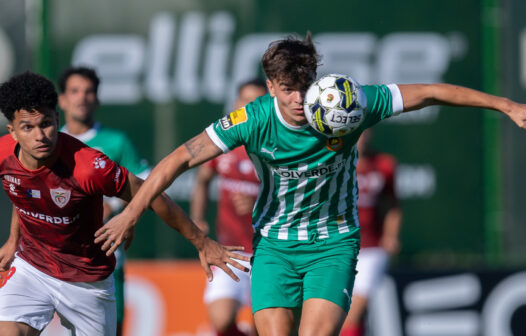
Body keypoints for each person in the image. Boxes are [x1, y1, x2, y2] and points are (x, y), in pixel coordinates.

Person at [98, 33, 526, 336]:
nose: (299, 99)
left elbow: (429, 92)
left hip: (333, 243)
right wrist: (132, 213)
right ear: (270, 87)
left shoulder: (348, 103)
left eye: (304, 87)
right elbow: (181, 158)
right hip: (273, 247)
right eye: (287, 89)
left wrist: (505, 104)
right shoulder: (254, 119)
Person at [0, 72, 249, 336]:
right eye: (28, 127)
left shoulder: (87, 166)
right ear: (12, 132)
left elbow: (152, 196)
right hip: (33, 270)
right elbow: (26, 193)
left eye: (46, 124)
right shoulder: (4, 155)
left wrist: (201, 241)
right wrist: (12, 240)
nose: (40, 135)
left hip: (87, 281)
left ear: (57, 119)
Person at [57, 66, 150, 335]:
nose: (81, 98)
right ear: (62, 99)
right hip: (53, 256)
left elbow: (146, 184)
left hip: (103, 251)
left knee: (111, 328)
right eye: (74, 91)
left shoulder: (116, 141)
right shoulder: (50, 143)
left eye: (88, 92)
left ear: (96, 99)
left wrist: (116, 205)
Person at [191, 79, 267, 336]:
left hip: (269, 252)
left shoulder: (277, 148)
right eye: (246, 101)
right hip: (229, 250)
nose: (251, 107)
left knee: (268, 328)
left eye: (258, 102)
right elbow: (202, 180)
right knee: (222, 322)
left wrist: (259, 202)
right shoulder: (224, 144)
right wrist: (197, 219)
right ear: (236, 105)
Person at [339, 129, 402, 336]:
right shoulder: (332, 164)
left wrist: (390, 237)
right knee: (334, 314)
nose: (361, 138)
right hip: (338, 247)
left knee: (354, 312)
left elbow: (393, 205)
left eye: (365, 132)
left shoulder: (384, 165)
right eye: (356, 133)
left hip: (371, 249)